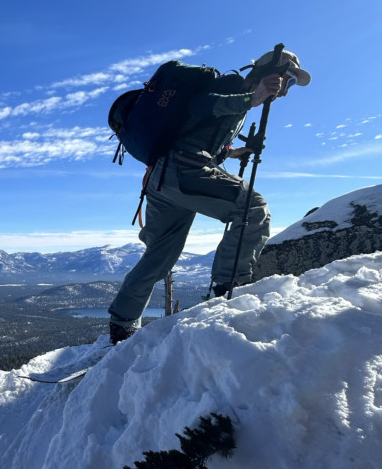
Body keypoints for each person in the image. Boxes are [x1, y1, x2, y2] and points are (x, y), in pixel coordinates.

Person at [108, 49, 311, 344]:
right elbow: (200, 106)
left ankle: (122, 323)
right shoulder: (234, 87)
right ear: (270, 72)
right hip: (183, 171)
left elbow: (197, 133)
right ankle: (226, 292)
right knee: (253, 208)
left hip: (162, 176)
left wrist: (234, 151)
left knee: (160, 254)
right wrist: (251, 100)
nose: (285, 90)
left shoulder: (237, 100)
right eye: (287, 80)